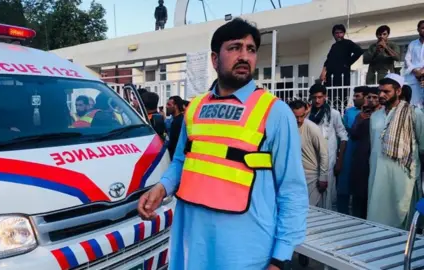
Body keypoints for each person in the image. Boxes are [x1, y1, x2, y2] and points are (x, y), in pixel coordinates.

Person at [137, 18, 308, 270]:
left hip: (246, 252)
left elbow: (292, 190)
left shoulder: (276, 112)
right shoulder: (194, 109)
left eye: (250, 49)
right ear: (215, 59)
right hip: (193, 245)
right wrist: (162, 188)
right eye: (235, 47)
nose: (244, 56)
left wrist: (280, 258)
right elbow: (183, 161)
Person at [368, 74, 424, 229]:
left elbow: (423, 146)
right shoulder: (375, 116)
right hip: (377, 172)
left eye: (386, 92)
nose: (381, 95)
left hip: (403, 174)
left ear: (398, 91)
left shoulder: (414, 113)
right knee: (376, 216)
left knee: (401, 215)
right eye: (380, 91)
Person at [308, 83, 348, 210]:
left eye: (320, 97)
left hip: (329, 160)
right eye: (314, 97)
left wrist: (339, 160)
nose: (317, 100)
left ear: (325, 97)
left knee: (327, 193)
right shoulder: (307, 114)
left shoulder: (334, 114)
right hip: (311, 160)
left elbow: (343, 136)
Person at [289, 99, 329, 207]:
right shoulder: (287, 127)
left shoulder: (312, 128)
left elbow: (324, 153)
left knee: (312, 212)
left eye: (302, 116)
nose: (299, 120)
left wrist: (323, 177)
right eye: (295, 117)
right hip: (294, 178)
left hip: (312, 178)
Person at [349, 87, 380, 219]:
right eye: (369, 97)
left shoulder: (382, 115)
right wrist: (360, 119)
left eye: (375, 98)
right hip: (361, 158)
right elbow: (353, 134)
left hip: (377, 157)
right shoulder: (360, 115)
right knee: (359, 193)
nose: (371, 100)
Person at [337, 86, 368, 214]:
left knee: (359, 188)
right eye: (354, 96)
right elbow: (343, 131)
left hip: (363, 153)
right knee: (344, 186)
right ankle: (341, 215)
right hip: (348, 152)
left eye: (357, 96)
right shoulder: (349, 112)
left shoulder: (373, 113)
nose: (354, 98)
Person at [404, 20, 424, 108]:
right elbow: (407, 59)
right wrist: (414, 70)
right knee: (414, 104)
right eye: (423, 28)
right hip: (413, 76)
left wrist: (422, 71)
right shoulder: (412, 44)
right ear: (418, 30)